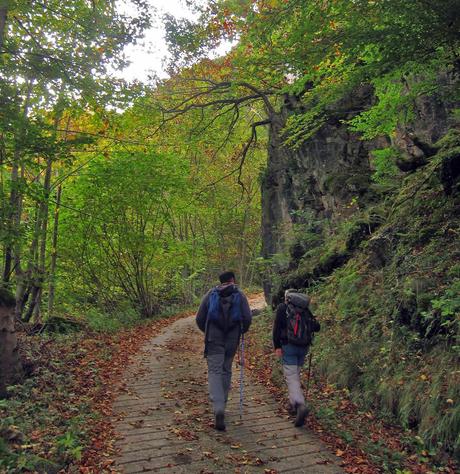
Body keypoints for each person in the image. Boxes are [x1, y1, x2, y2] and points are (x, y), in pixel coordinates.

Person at [196, 271, 252, 431]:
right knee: (226, 369)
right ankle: (223, 403)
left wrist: (207, 331)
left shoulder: (211, 294)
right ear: (232, 280)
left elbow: (199, 318)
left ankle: (218, 407)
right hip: (232, 340)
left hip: (214, 338)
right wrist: (241, 331)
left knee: (214, 371)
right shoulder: (239, 295)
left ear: (220, 281)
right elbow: (247, 318)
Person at [272, 289, 320, 427]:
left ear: (287, 297)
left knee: (291, 376)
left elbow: (277, 328)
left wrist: (277, 346)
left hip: (289, 346)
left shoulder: (283, 308)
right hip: (303, 347)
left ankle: (300, 405)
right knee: (295, 375)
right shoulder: (305, 309)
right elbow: (317, 327)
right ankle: (293, 404)